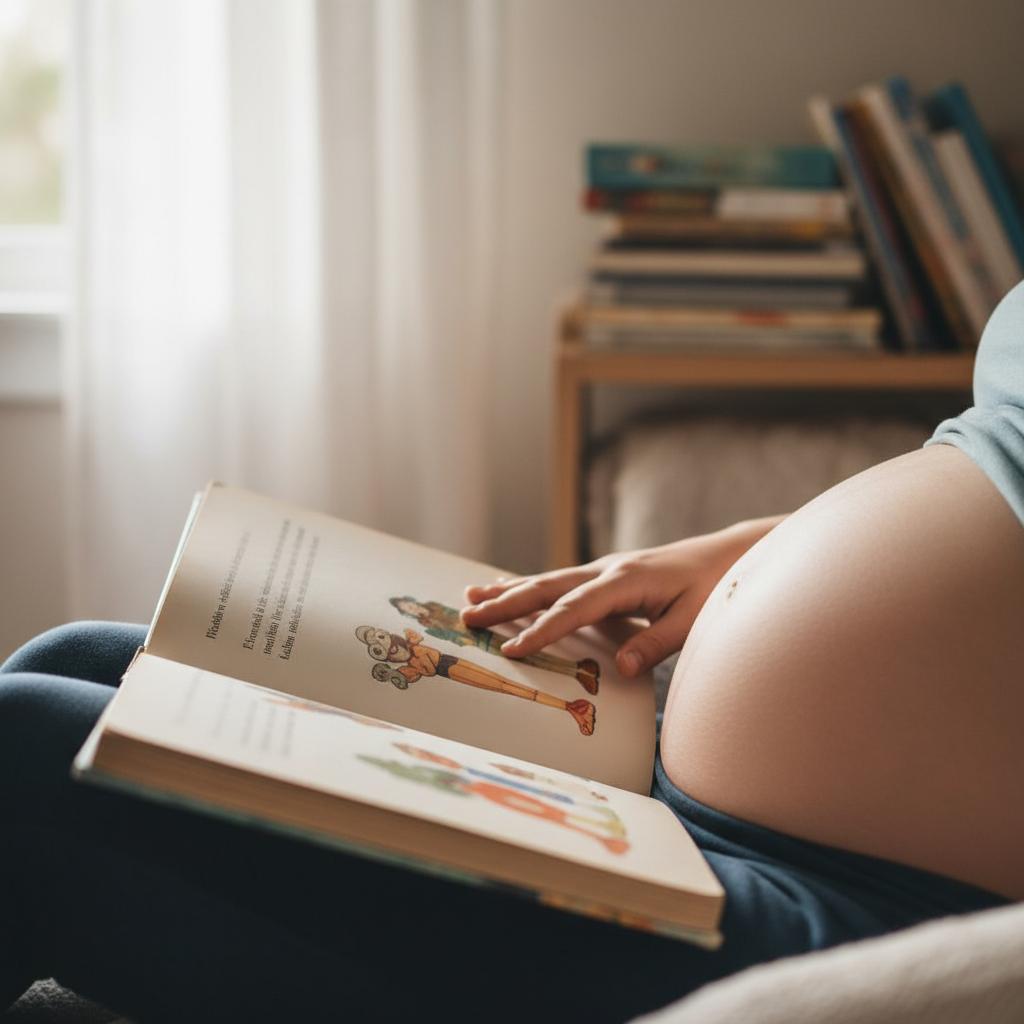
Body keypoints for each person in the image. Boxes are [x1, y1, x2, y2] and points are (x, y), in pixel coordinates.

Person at [1, 282, 1022, 1023]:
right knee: (81, 657)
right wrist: (746, 550)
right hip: (650, 770)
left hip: (859, 900)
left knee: (18, 754)